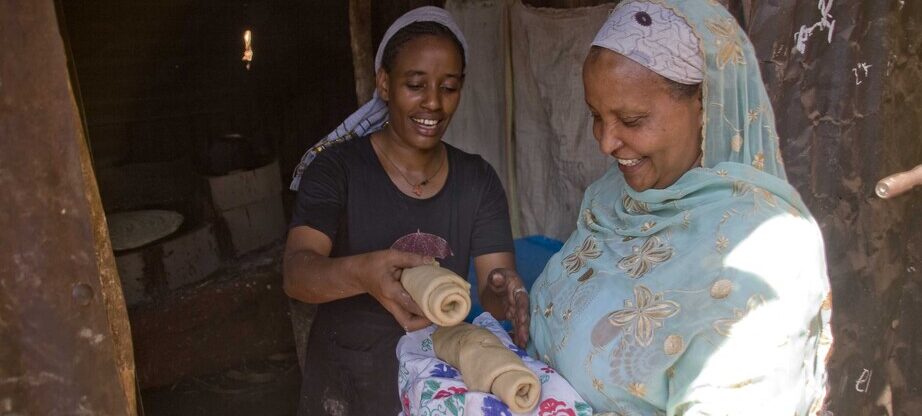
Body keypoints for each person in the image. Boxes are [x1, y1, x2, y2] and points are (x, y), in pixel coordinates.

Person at [528, 1, 833, 414]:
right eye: (596, 116)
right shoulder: (611, 198)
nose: (606, 142)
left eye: (632, 120)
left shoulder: (768, 249)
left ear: (707, 104)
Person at [283, 7, 530, 415]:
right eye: (415, 84)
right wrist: (363, 272)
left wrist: (506, 295)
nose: (433, 102)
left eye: (449, 87)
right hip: (346, 383)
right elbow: (296, 273)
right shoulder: (337, 169)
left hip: (436, 383)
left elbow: (493, 286)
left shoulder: (477, 180)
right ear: (384, 83)